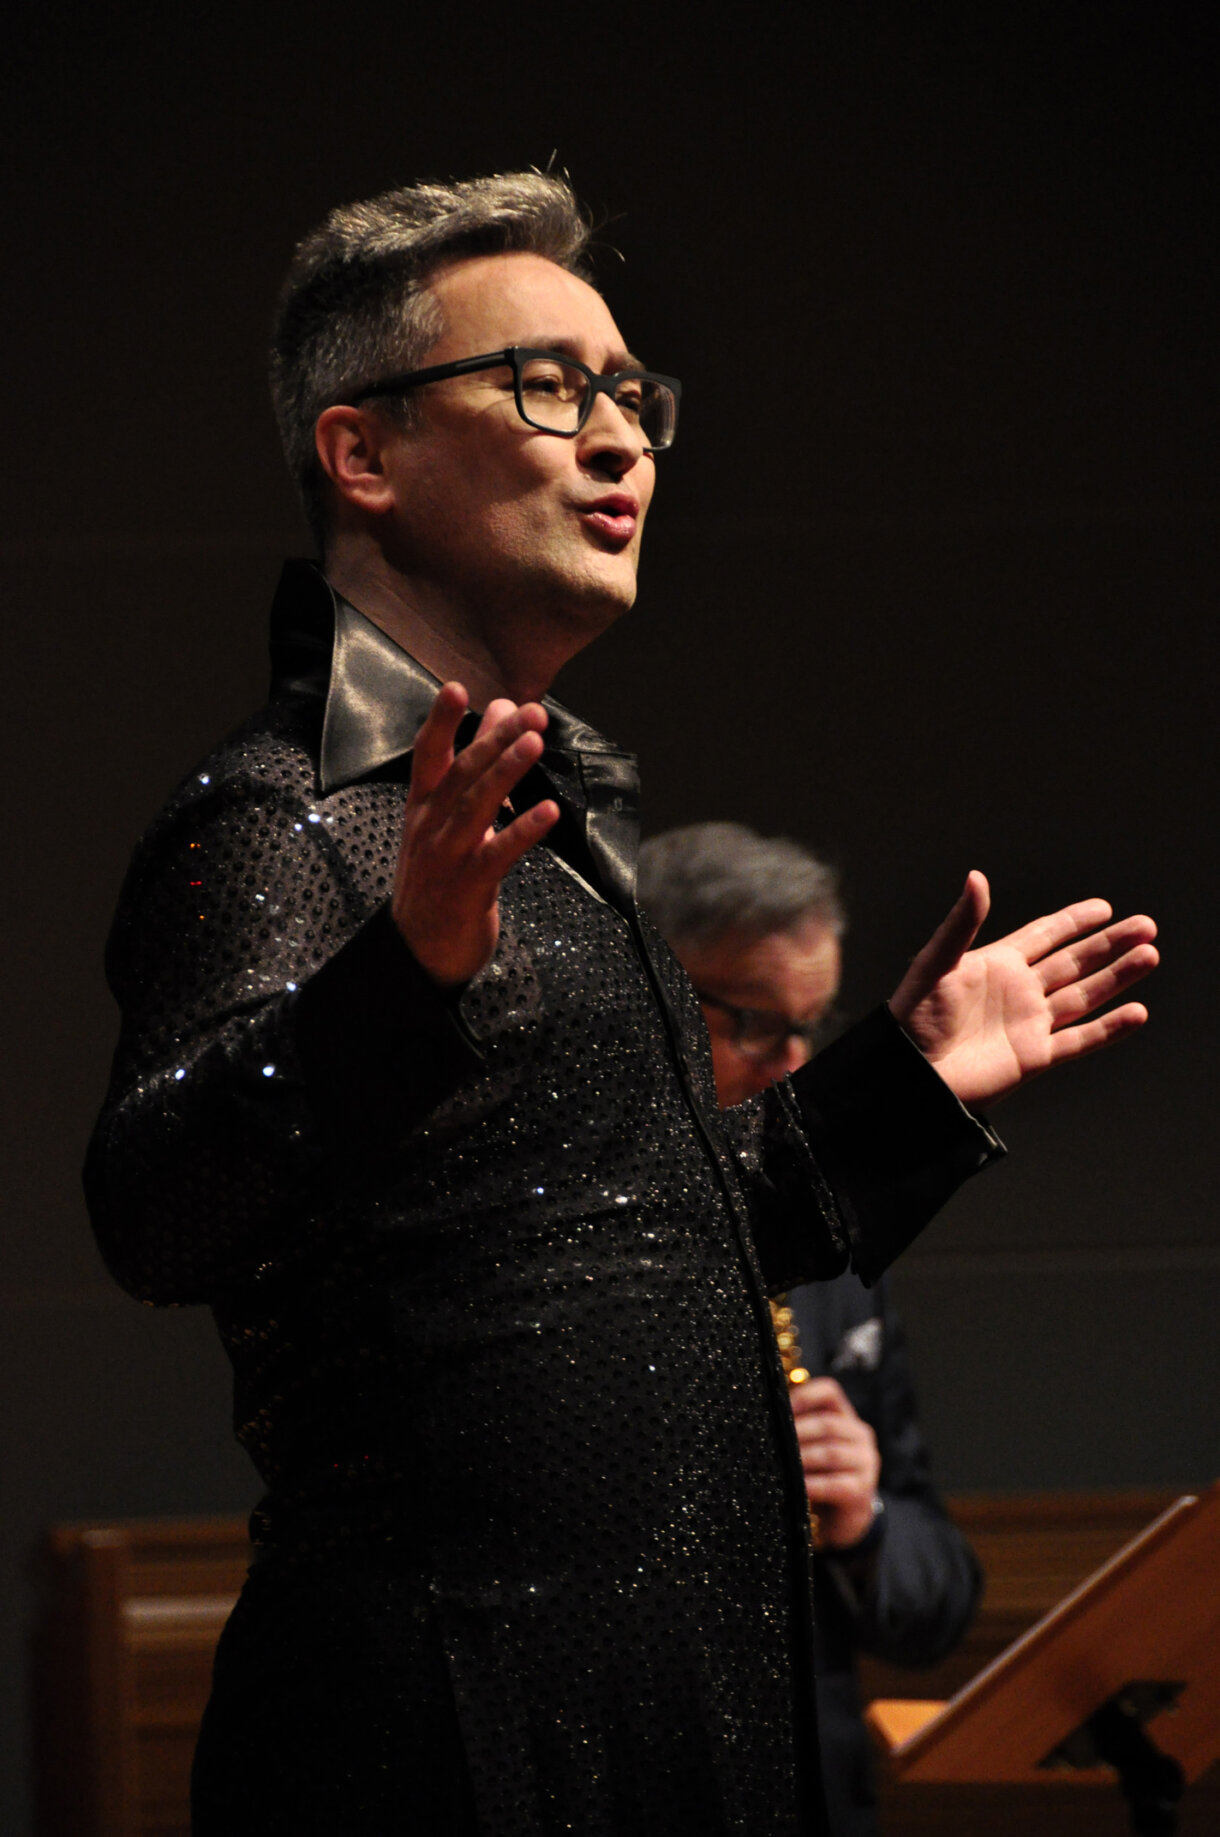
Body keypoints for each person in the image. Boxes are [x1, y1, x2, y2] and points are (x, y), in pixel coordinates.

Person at [84, 172, 1158, 1837]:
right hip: (445, 1741)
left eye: (632, 397)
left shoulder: (560, 836)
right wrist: (402, 976)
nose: (619, 442)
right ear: (362, 454)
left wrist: (915, 1080)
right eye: (546, 387)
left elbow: (662, 1238)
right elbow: (156, 1208)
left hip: (661, 1716)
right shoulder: (286, 813)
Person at [639, 822, 983, 1836]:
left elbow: (938, 1604)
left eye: (810, 1026)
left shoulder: (832, 1252)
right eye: (754, 1022)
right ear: (642, 996)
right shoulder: (542, 1237)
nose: (794, 1065)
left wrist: (863, 1519)